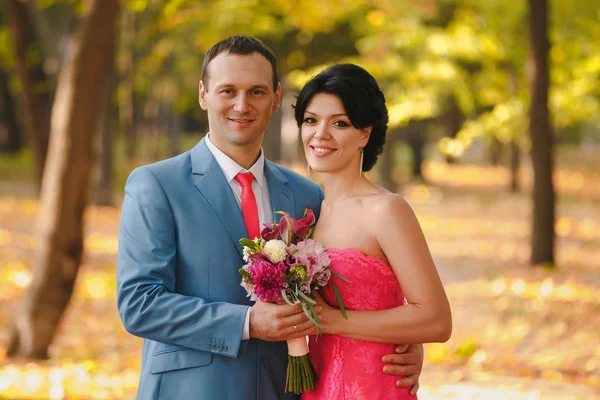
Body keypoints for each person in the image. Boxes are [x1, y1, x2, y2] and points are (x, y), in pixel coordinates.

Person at [117, 36, 423, 400]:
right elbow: (139, 304)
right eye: (227, 90)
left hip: (286, 390)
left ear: (276, 98)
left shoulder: (308, 195)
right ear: (203, 95)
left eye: (257, 92)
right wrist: (246, 324)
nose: (242, 105)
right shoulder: (157, 184)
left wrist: (403, 344)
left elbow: (348, 288)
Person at [295, 64, 452, 400]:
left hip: (371, 386)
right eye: (311, 120)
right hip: (316, 386)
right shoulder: (304, 214)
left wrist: (335, 322)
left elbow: (436, 320)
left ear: (364, 133)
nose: (320, 133)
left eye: (339, 123)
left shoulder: (387, 211)